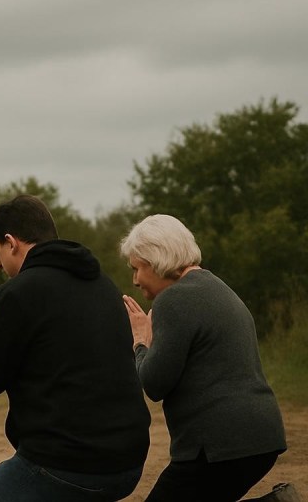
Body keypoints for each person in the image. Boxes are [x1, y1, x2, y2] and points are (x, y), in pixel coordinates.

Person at [0, 195, 150, 501]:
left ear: (11, 243)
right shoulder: (104, 284)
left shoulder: (19, 292)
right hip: (129, 463)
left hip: (68, 464)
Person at [121, 214, 290, 502]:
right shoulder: (217, 287)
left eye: (138, 268)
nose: (135, 280)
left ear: (157, 260)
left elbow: (154, 383)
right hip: (260, 438)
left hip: (217, 447)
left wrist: (140, 341)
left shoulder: (174, 300)